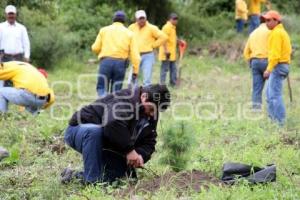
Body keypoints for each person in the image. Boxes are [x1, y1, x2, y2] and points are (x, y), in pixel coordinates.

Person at [61, 84, 171, 184]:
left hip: (108, 141)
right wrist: (129, 150)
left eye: (155, 111)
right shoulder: (125, 99)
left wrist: (140, 155)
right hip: (80, 130)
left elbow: (149, 140)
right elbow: (112, 124)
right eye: (151, 109)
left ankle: (73, 176)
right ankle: (91, 180)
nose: (152, 114)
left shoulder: (151, 113)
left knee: (119, 175)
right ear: (144, 97)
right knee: (95, 132)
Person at [92, 11, 141, 97]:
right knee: (117, 90)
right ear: (124, 21)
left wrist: (103, 53)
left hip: (105, 61)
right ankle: (113, 108)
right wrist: (135, 71)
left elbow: (95, 48)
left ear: (113, 19)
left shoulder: (104, 30)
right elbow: (135, 55)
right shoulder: (130, 33)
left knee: (102, 87)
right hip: (121, 64)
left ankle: (102, 105)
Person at [262, 10, 292, 125]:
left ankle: (280, 123)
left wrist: (268, 69)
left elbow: (275, 55)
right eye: (265, 20)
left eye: (269, 20)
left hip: (278, 66)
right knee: (269, 95)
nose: (266, 22)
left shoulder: (276, 33)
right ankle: (273, 121)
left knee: (274, 96)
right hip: (281, 65)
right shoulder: (281, 32)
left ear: (276, 20)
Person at [128, 10, 167, 86]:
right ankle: (134, 95)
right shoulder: (131, 27)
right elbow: (126, 39)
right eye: (140, 18)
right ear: (136, 19)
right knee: (133, 79)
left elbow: (164, 37)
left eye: (143, 18)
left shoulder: (152, 28)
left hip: (147, 55)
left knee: (147, 79)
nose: (142, 20)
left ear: (146, 18)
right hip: (135, 56)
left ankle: (146, 96)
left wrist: (153, 45)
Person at [0, 5, 31, 88]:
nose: (11, 16)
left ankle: (18, 99)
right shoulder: (1, 27)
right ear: (6, 14)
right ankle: (5, 99)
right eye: (9, 14)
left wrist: (27, 56)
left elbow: (26, 43)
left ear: (15, 14)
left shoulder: (21, 28)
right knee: (6, 79)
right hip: (5, 57)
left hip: (19, 57)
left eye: (12, 14)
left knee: (19, 79)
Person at [244, 16, 270, 110]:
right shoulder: (270, 32)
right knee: (271, 86)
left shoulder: (253, 33)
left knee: (256, 88)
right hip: (268, 61)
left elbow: (246, 52)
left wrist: (250, 62)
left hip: (254, 61)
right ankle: (271, 109)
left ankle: (256, 109)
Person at [159, 13, 182, 87]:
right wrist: (166, 51)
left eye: (176, 19)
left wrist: (179, 41)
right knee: (165, 69)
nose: (175, 21)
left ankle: (173, 83)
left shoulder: (173, 27)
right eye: (174, 19)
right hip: (167, 52)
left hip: (172, 52)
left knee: (173, 69)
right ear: (170, 19)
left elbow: (173, 38)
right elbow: (163, 39)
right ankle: (162, 84)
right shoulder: (167, 27)